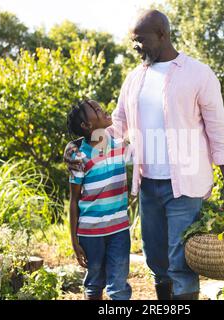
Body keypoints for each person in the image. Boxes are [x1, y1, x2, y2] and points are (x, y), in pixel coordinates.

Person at [64, 10, 224, 300]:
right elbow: (117, 127)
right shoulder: (134, 79)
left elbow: (219, 133)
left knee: (181, 264)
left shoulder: (199, 74)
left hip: (185, 186)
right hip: (147, 185)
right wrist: (76, 146)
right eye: (133, 41)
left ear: (162, 35)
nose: (136, 47)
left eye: (140, 41)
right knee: (156, 262)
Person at [67, 99, 132, 300]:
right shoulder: (79, 156)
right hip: (90, 232)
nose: (101, 108)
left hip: (119, 229)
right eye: (95, 109)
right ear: (87, 126)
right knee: (94, 283)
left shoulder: (121, 147)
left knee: (119, 286)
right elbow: (73, 199)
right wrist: (74, 240)